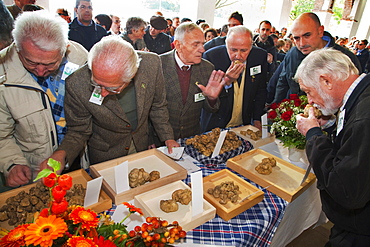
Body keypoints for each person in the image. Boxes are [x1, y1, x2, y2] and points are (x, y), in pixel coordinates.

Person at [44, 35, 179, 168]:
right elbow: (79, 130)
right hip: (106, 155)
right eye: (96, 83)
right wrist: (62, 153)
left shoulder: (152, 65)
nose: (102, 93)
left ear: (132, 75)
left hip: (141, 145)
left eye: (112, 88)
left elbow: (158, 106)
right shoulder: (76, 83)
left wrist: (168, 137)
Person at [0, 11, 88, 189]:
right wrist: (12, 164)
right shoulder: (3, 74)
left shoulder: (81, 59)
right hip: (34, 169)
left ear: (65, 49)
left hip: (79, 158)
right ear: (17, 48)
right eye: (30, 62)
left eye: (50, 64)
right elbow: (2, 135)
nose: (40, 71)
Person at [295, 48, 370, 246]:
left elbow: (346, 190)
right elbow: (352, 143)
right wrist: (329, 126)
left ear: (326, 81)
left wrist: (313, 135)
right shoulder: (362, 95)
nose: (310, 101)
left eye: (309, 92)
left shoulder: (364, 117)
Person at [272, 12, 361, 104]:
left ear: (320, 31)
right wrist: (276, 107)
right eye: (297, 38)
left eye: (307, 35)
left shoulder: (346, 59)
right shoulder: (293, 53)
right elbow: (283, 82)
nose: (302, 43)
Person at [159, 22, 225, 141]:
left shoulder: (207, 68)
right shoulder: (158, 65)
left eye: (203, 44)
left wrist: (211, 99)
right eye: (196, 45)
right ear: (178, 45)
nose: (202, 49)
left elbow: (211, 109)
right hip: (159, 140)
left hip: (191, 139)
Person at [201, 26, 268, 131]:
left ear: (251, 47)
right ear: (226, 45)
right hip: (217, 124)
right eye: (233, 50)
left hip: (244, 124)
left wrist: (256, 118)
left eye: (244, 50)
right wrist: (226, 82)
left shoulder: (259, 56)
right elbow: (207, 98)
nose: (238, 55)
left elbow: (260, 89)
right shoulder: (211, 58)